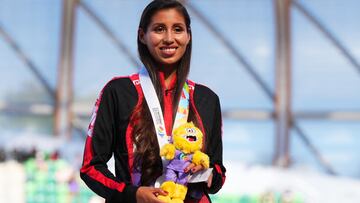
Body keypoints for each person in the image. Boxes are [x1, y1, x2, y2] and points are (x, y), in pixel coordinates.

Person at [80, 0, 226, 202]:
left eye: (177, 29)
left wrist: (209, 174)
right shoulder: (118, 92)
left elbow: (218, 169)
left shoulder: (207, 99)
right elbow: (90, 168)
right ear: (142, 36)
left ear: (188, 36)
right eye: (159, 29)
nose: (169, 38)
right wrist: (134, 194)